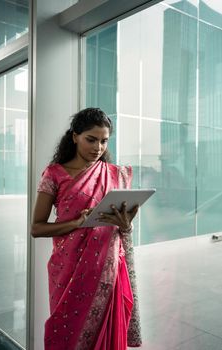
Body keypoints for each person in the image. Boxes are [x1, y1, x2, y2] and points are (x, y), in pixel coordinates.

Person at [31, 107, 142, 350]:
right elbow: (36, 228)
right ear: (74, 136)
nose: (98, 148)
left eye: (104, 141)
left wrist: (126, 224)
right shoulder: (54, 175)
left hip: (108, 267)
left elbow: (119, 222)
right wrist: (76, 223)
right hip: (68, 269)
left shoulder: (114, 174)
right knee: (67, 333)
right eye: (90, 139)